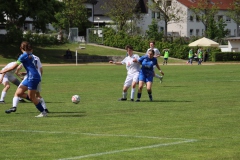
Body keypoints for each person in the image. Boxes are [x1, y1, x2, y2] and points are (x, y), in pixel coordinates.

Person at [0, 41, 47, 117]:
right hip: (30, 76)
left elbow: (13, 67)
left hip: (32, 78)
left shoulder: (23, 56)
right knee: (19, 93)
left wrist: (3, 71)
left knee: (32, 97)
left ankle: (43, 112)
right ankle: (37, 101)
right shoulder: (31, 55)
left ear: (21, 48)